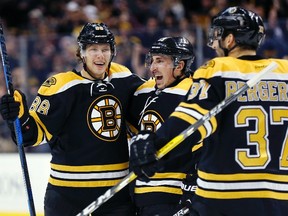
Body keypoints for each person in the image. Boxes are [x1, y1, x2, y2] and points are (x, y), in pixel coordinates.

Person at [129, 6, 288, 216]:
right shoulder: (284, 73)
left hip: (224, 199)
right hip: (281, 199)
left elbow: (189, 125)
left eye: (219, 36)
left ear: (230, 40)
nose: (215, 43)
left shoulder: (218, 70)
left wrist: (152, 146)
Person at [0, 22, 144, 216]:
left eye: (105, 49)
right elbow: (29, 136)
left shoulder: (123, 79)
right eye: (93, 49)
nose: (100, 55)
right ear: (81, 53)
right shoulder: (61, 86)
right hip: (68, 197)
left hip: (116, 195)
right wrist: (18, 117)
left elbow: (151, 108)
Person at [127, 36, 200, 216]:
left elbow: (205, 149)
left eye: (160, 61)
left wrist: (193, 190)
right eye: (152, 61)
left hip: (172, 197)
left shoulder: (194, 94)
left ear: (179, 65)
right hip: (138, 196)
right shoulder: (145, 92)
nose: (152, 68)